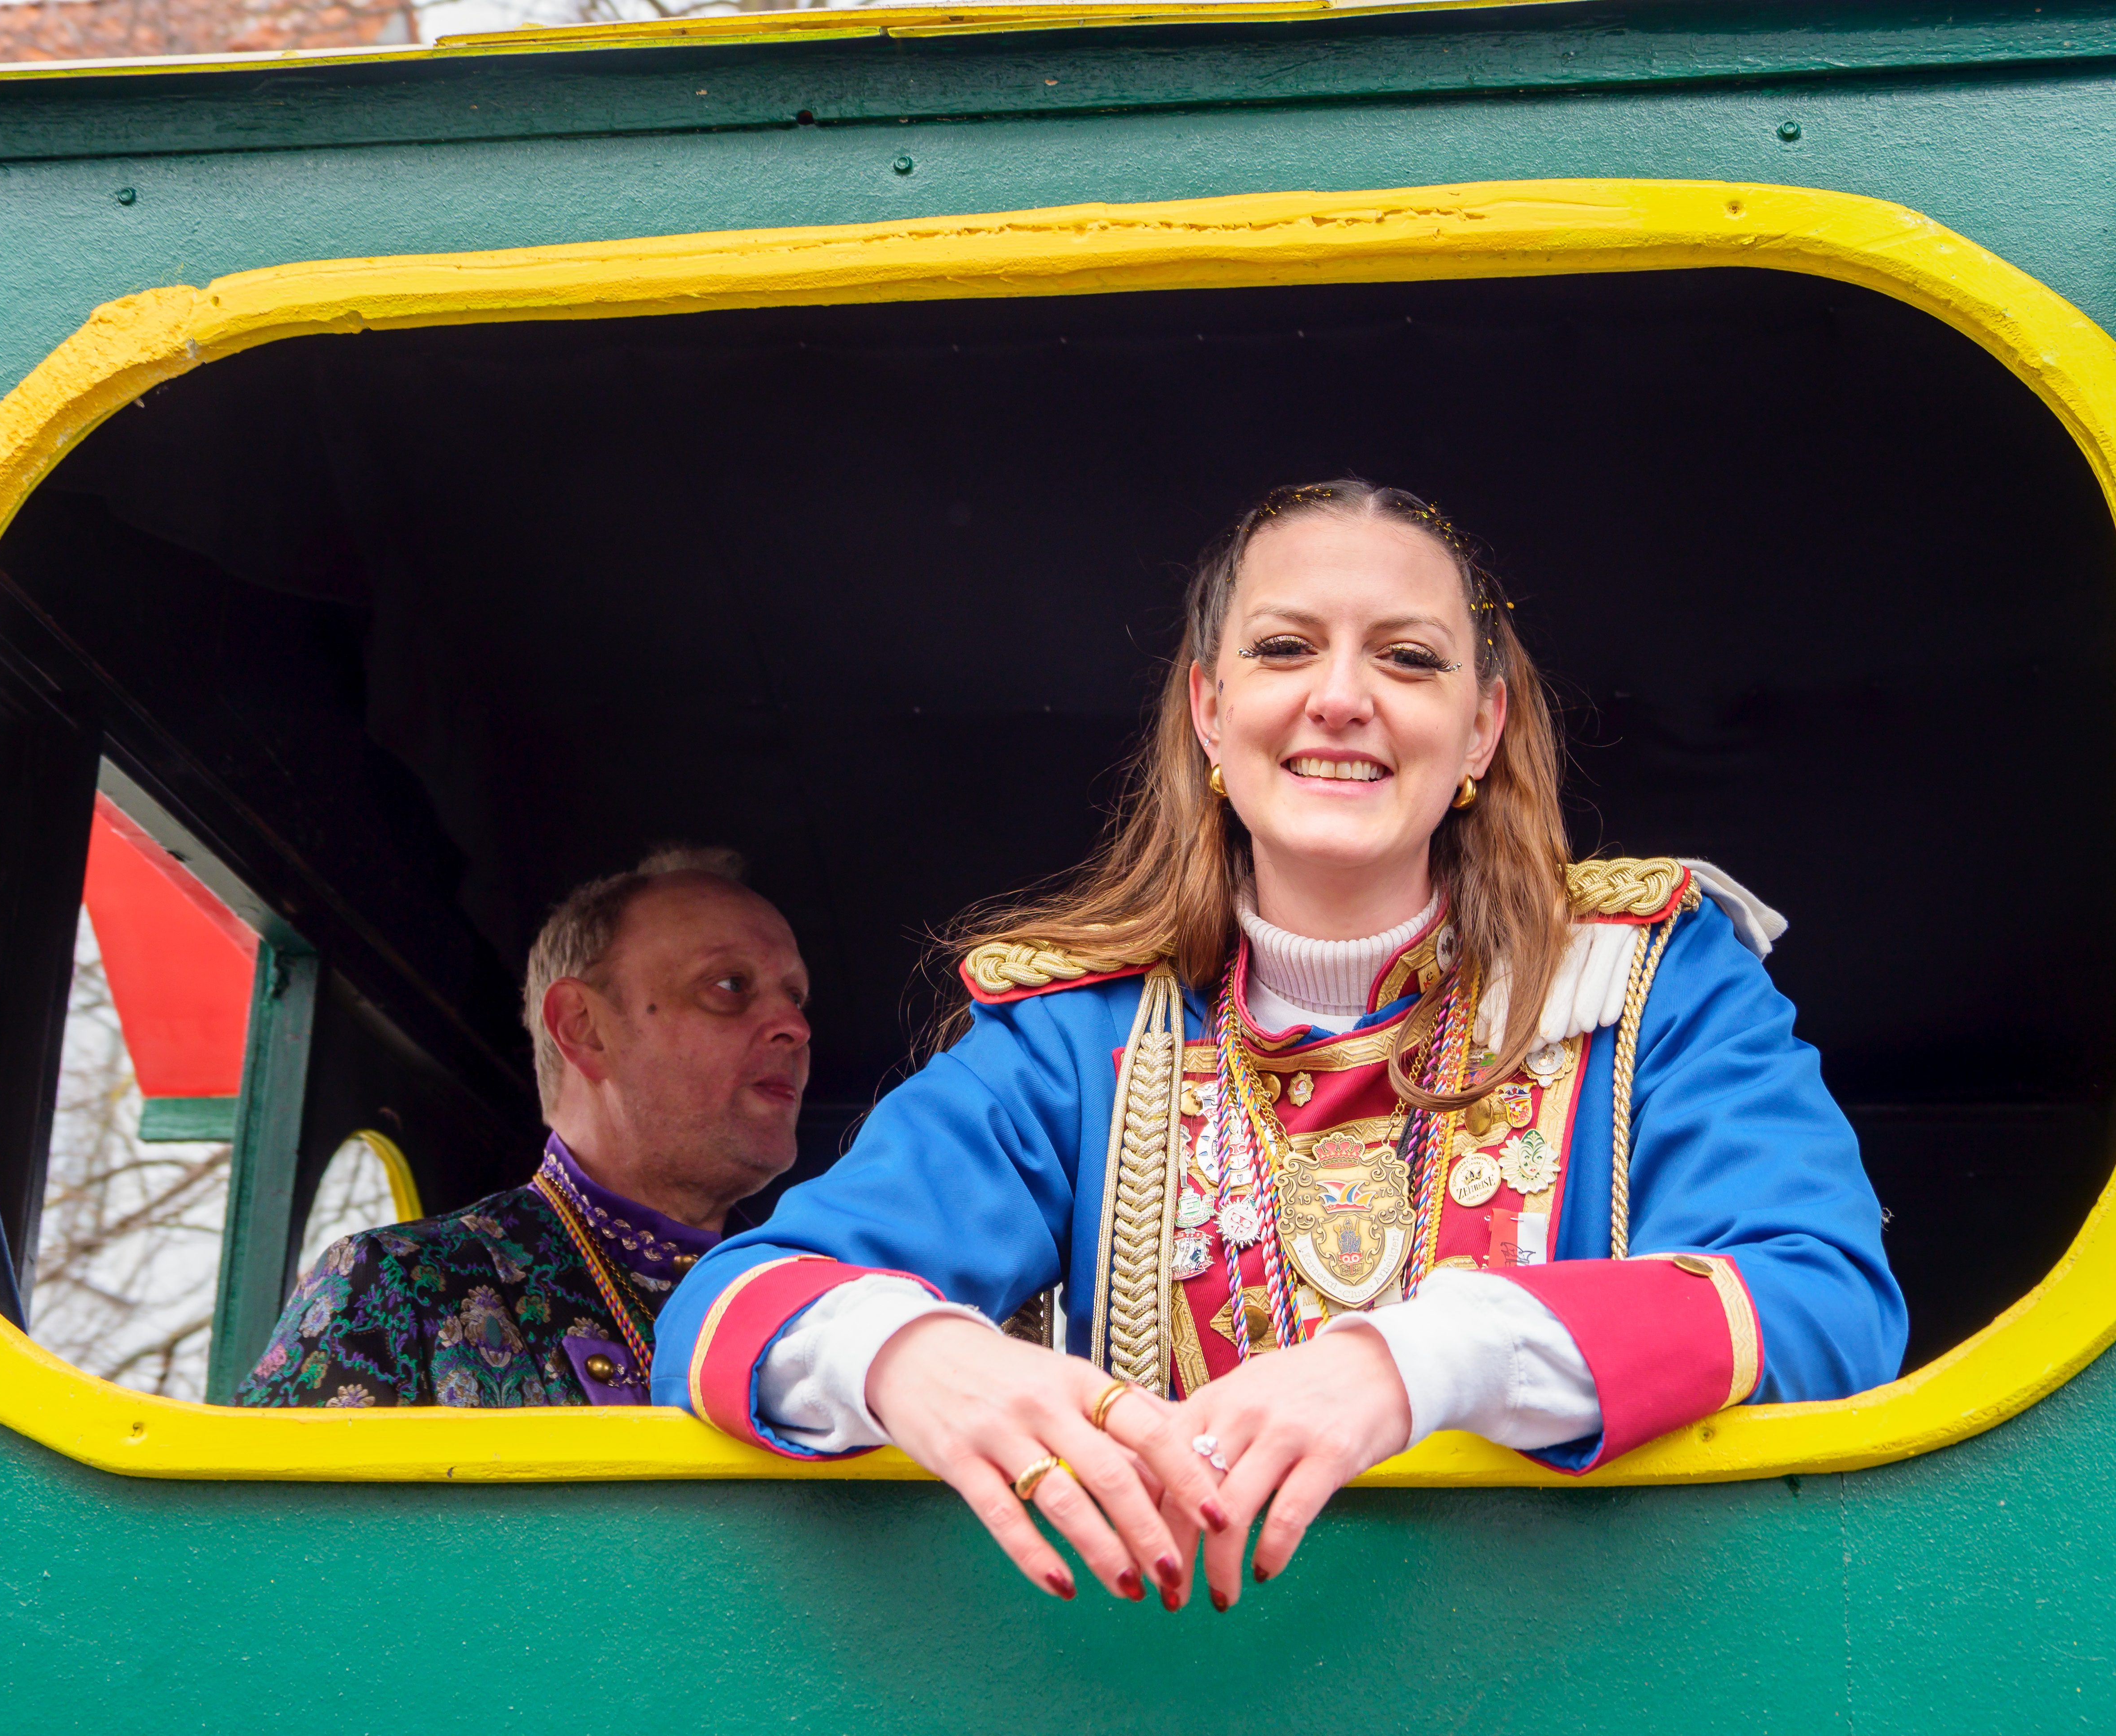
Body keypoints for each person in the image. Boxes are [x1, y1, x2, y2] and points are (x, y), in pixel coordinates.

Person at [651, 480, 1903, 1613]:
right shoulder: (1074, 1038)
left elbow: (1825, 1302)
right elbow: (730, 1306)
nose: (1341, 697)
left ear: (1480, 729)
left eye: (1408, 658)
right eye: (1285, 647)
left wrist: (1426, 1361)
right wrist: (914, 1359)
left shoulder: (1655, 979)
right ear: (1209, 710)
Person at [239, 845, 810, 1408]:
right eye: (730, 986)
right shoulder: (401, 1288)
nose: (795, 1027)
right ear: (583, 1027)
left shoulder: (819, 1304)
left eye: (796, 998)